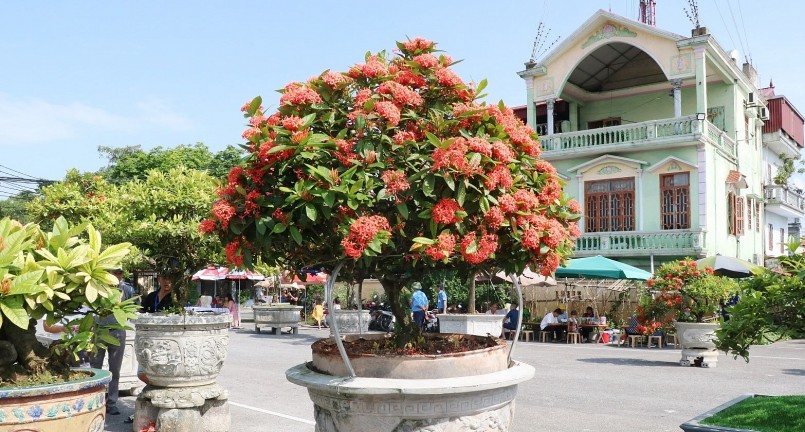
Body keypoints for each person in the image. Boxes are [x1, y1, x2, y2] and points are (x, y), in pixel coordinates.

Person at [91, 268, 136, 416]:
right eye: (113, 272)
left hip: (117, 331)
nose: (116, 275)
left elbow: (131, 309)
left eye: (119, 272)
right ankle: (95, 400)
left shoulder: (127, 290)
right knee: (95, 367)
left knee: (114, 369)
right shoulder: (98, 289)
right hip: (99, 331)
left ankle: (111, 402)